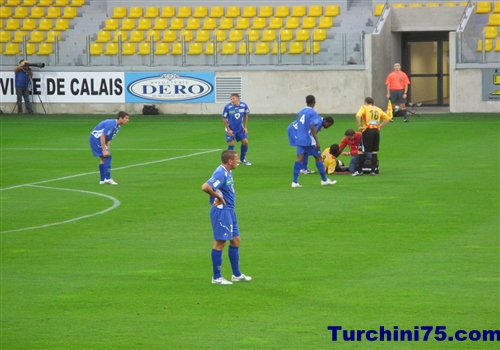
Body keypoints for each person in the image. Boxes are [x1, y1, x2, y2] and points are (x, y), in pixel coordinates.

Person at [202, 150, 252, 285]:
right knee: (221, 242)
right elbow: (205, 187)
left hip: (229, 211)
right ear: (230, 161)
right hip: (221, 211)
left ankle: (236, 274)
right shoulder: (221, 173)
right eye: (236, 159)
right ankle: (216, 277)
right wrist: (218, 197)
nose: (238, 161)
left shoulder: (227, 171)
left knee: (236, 240)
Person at [288, 95, 337, 187]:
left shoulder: (301, 111)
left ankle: (294, 182)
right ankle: (324, 180)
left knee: (299, 159)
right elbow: (312, 126)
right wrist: (317, 141)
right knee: (318, 157)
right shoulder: (313, 113)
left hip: (300, 138)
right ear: (314, 102)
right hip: (309, 139)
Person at [353, 97, 391, 176]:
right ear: (373, 103)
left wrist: (359, 126)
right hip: (376, 131)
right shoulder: (378, 109)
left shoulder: (364, 107)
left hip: (367, 131)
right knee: (374, 151)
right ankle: (373, 171)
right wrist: (379, 126)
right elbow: (387, 118)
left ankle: (359, 171)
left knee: (362, 150)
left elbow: (358, 116)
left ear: (366, 102)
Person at [88, 111, 130, 185]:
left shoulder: (118, 127)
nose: (127, 120)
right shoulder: (112, 124)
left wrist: (107, 149)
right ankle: (107, 178)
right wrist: (104, 150)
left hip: (98, 139)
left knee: (103, 158)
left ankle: (102, 180)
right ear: (120, 118)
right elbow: (103, 136)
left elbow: (109, 138)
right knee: (107, 157)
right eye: (126, 118)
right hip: (96, 139)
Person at [221, 93, 251, 165]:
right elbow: (224, 118)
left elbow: (246, 114)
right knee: (231, 143)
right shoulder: (227, 107)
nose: (232, 100)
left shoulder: (243, 105)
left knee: (245, 142)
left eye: (233, 98)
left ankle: (242, 159)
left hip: (239, 128)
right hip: (230, 128)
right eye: (231, 99)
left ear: (238, 98)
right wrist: (228, 130)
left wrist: (245, 127)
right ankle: (230, 161)